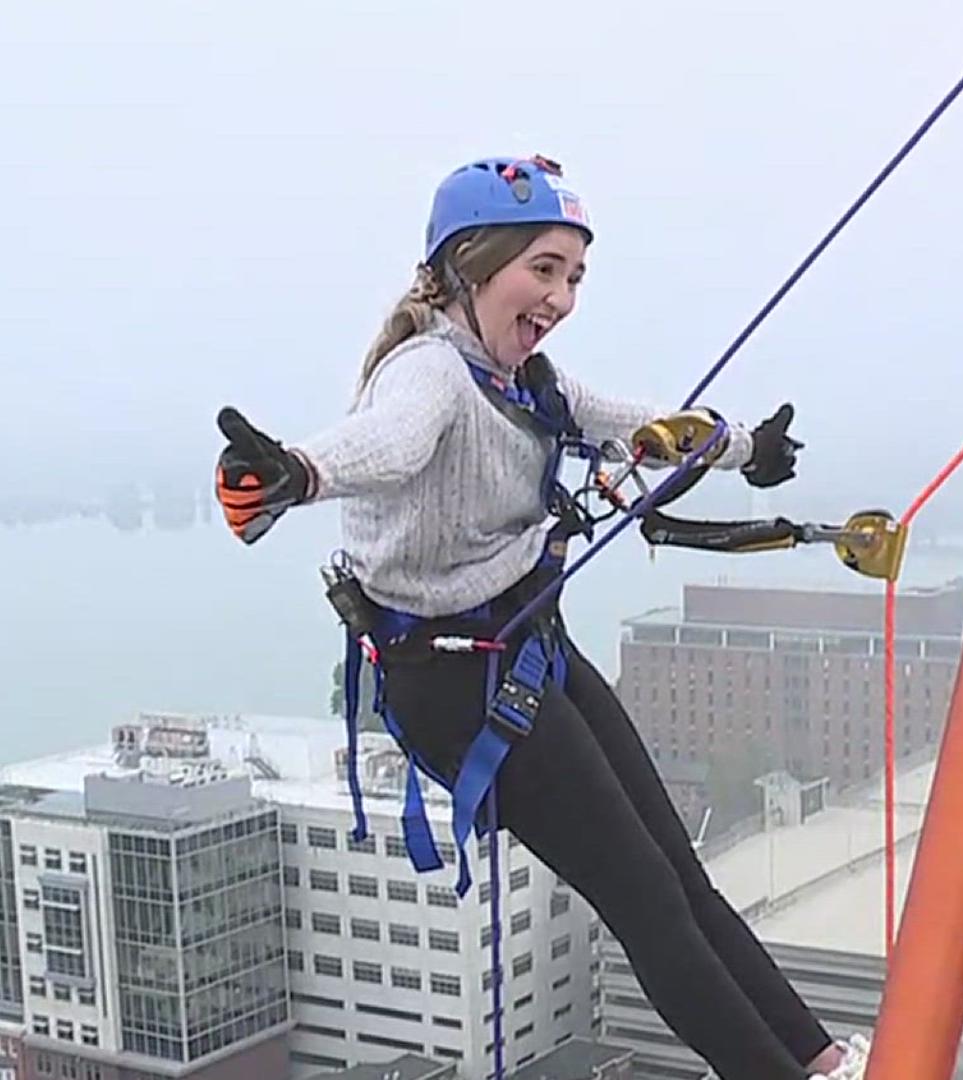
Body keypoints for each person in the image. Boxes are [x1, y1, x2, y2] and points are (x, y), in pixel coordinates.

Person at [212, 154, 866, 1080]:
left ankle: (826, 1060)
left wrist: (748, 447)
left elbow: (643, 427)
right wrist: (296, 473)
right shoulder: (431, 373)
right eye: (544, 270)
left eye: (573, 276)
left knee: (679, 879)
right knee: (648, 901)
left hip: (521, 648)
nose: (560, 297)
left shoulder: (528, 382)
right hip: (456, 680)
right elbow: (386, 445)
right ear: (470, 267)